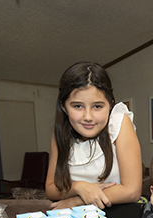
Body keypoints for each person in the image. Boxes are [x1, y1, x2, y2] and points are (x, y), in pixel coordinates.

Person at [45, 62, 142, 210]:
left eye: (97, 106)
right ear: (64, 106)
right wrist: (79, 187)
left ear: (110, 104)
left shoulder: (120, 122)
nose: (88, 117)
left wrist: (76, 201)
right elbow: (51, 188)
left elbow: (132, 191)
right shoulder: (60, 132)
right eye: (77, 106)